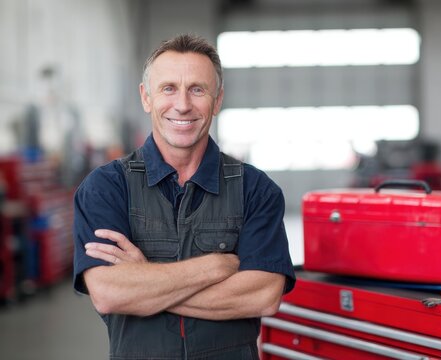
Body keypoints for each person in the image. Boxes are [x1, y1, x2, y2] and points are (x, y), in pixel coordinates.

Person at [72, 34, 296, 360]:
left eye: (197, 89)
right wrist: (218, 266)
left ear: (217, 100)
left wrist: (144, 280)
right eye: (168, 88)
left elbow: (262, 296)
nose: (182, 104)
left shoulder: (256, 189)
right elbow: (110, 293)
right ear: (146, 97)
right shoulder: (105, 188)